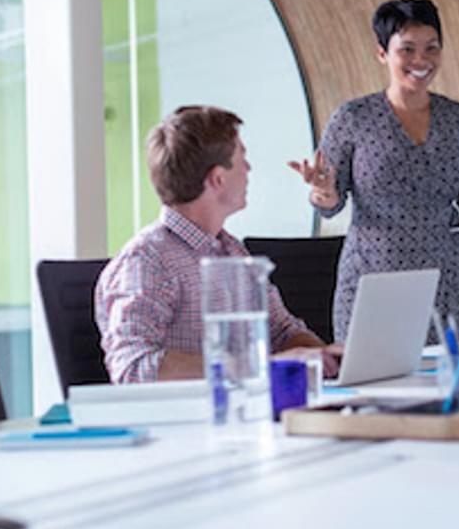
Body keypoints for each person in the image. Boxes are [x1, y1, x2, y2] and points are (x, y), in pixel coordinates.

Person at [288, 0, 459, 344]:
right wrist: (323, 192)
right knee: (371, 389)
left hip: (443, 284)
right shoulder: (353, 119)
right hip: (373, 281)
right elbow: (329, 204)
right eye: (407, 49)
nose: (420, 60)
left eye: (431, 48)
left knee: (439, 390)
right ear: (383, 53)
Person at [95, 105, 342, 383]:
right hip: (184, 422)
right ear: (218, 178)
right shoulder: (147, 259)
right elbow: (132, 365)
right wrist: (262, 366)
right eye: (242, 159)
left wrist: (330, 357)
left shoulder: (231, 250)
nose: (249, 169)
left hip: (242, 414)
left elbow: (282, 332)